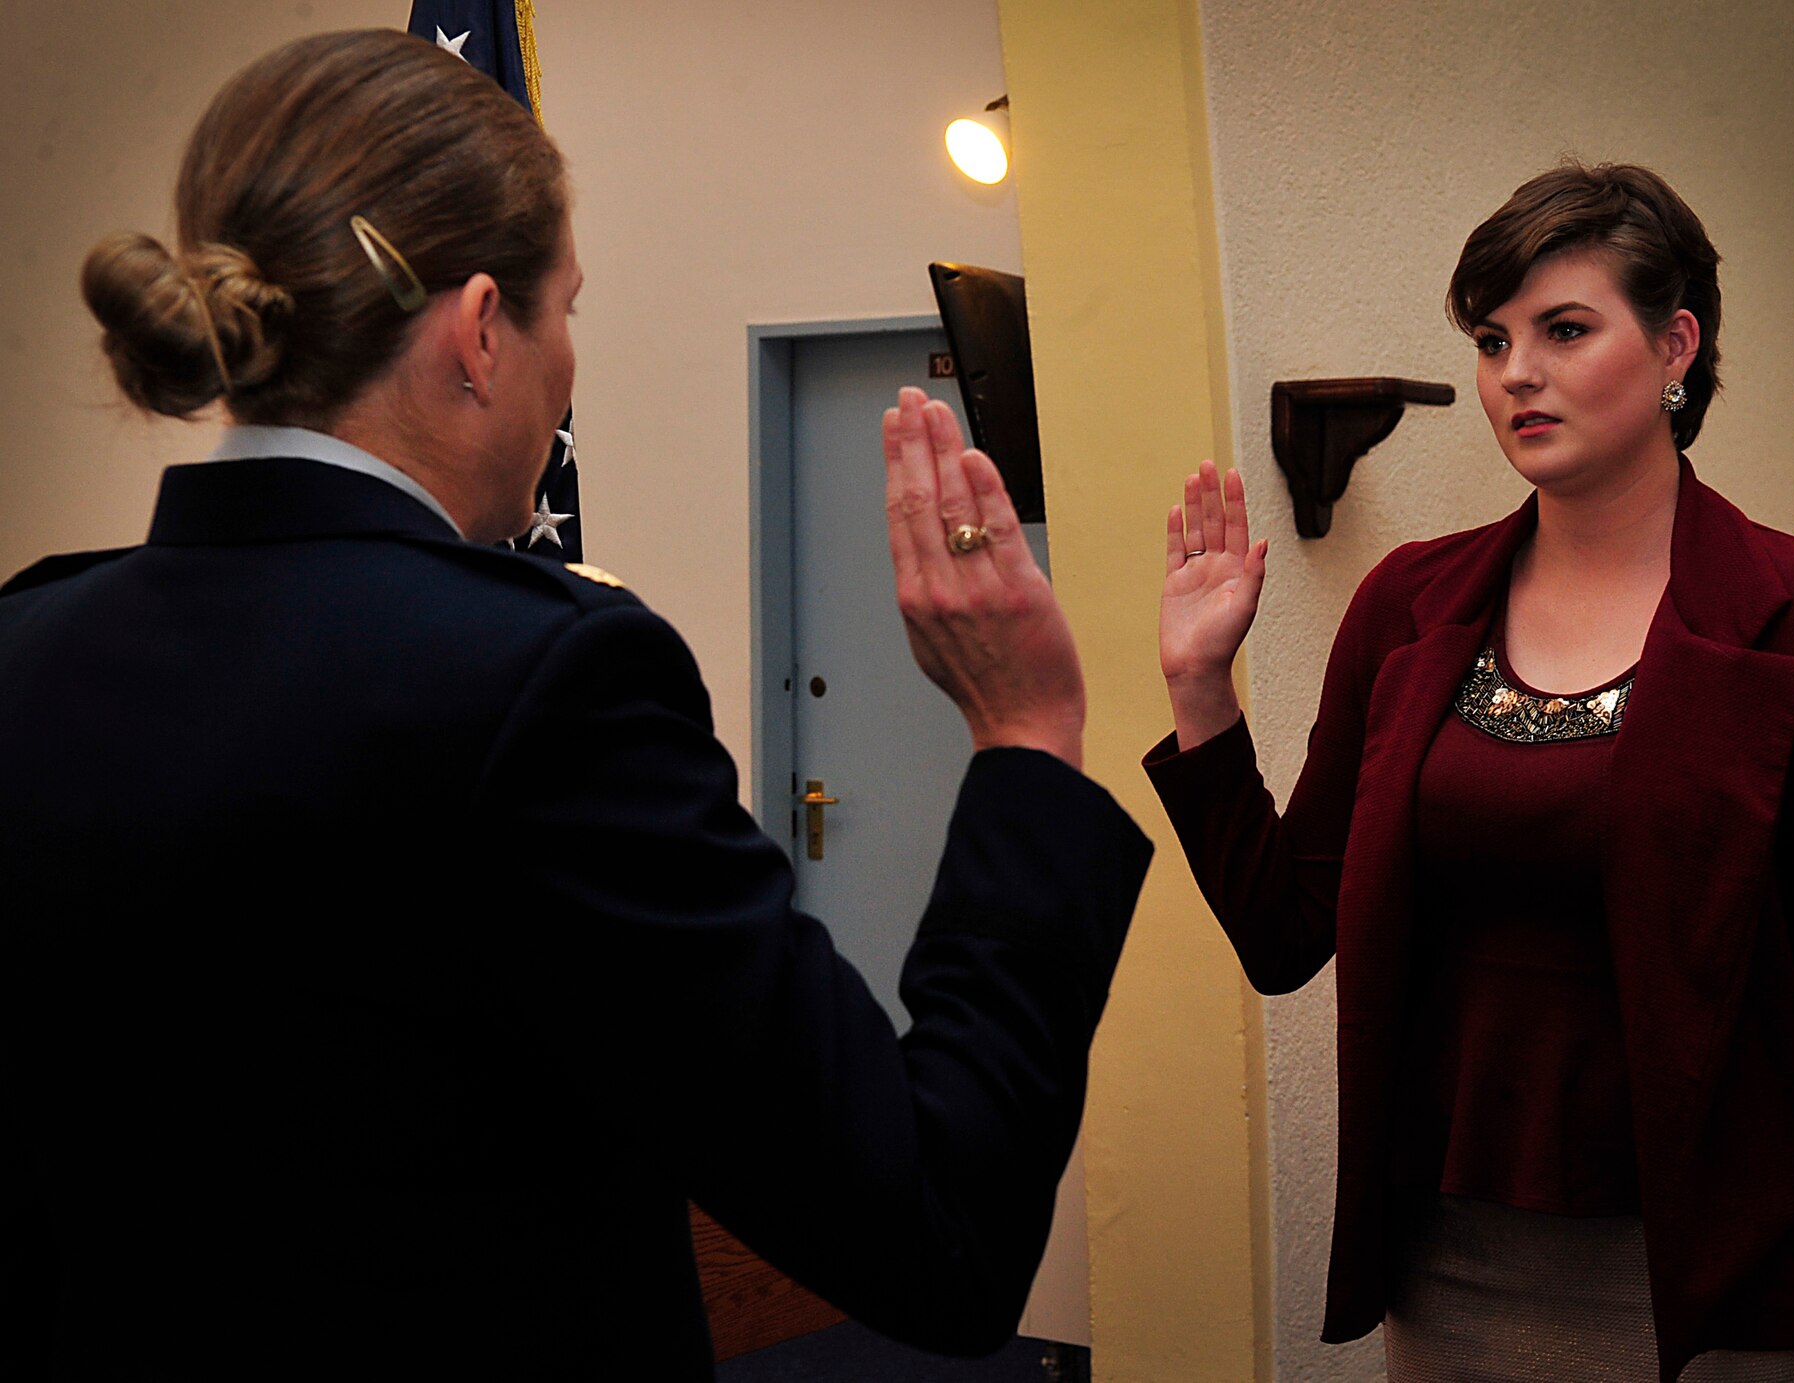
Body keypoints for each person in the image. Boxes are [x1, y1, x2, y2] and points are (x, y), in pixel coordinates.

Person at [0, 29, 1151, 1379]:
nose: (564, 372)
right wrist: (1026, 739)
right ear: (484, 331)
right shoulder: (541, 681)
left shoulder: (28, 638)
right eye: (568, 311)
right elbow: (934, 1231)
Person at [1144, 164, 1794, 1383]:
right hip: (1453, 1260)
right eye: (1491, 339)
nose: (1515, 372)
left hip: (1721, 1277)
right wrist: (1201, 692)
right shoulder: (1407, 605)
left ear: (1676, 345)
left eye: (1564, 330)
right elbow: (1283, 929)